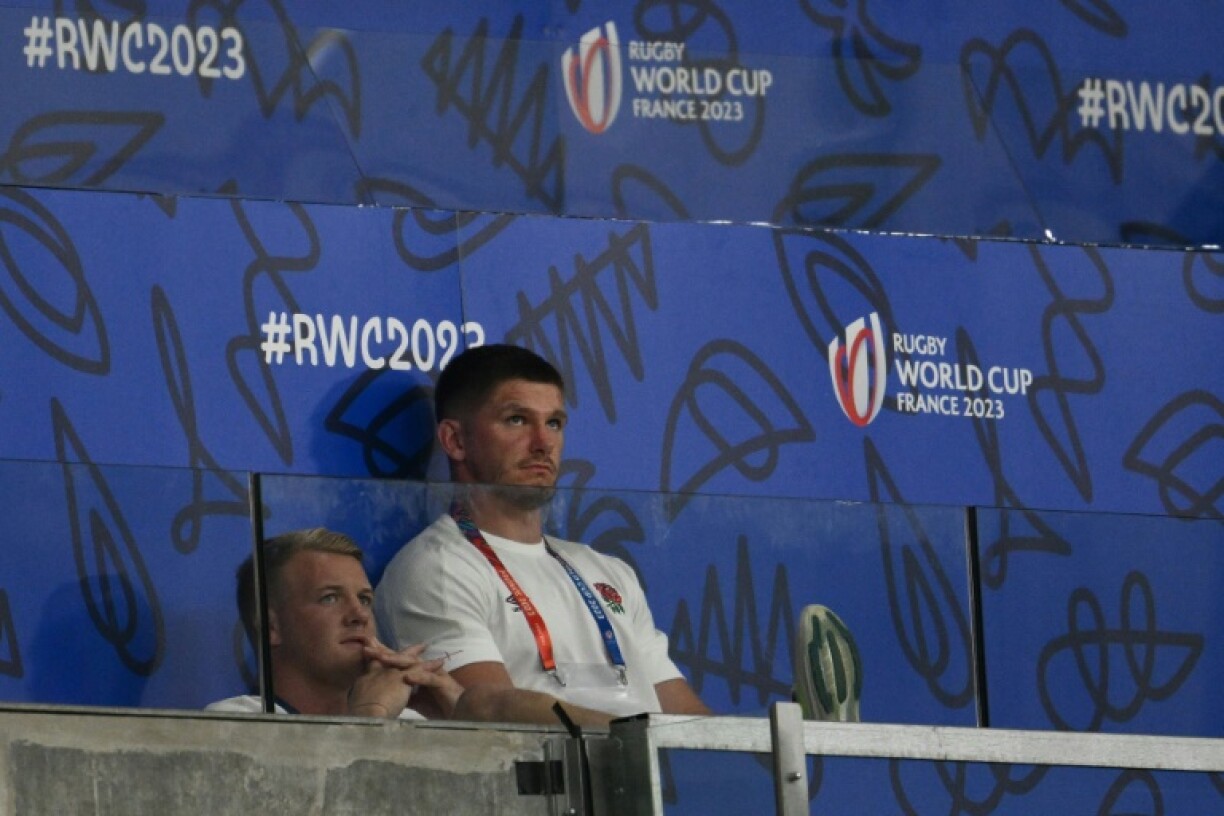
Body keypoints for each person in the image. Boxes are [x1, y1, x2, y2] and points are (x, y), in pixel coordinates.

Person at [375, 344, 711, 727]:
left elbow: (689, 722)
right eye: (517, 420)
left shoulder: (608, 571)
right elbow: (495, 724)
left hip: (642, 781)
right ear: (455, 441)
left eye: (554, 423)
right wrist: (637, 743)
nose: (543, 442)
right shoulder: (437, 568)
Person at [208, 527, 464, 720]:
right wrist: (370, 716)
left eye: (364, 599)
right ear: (271, 627)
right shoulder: (235, 720)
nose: (359, 615)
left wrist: (462, 718)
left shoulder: (407, 721)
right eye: (330, 598)